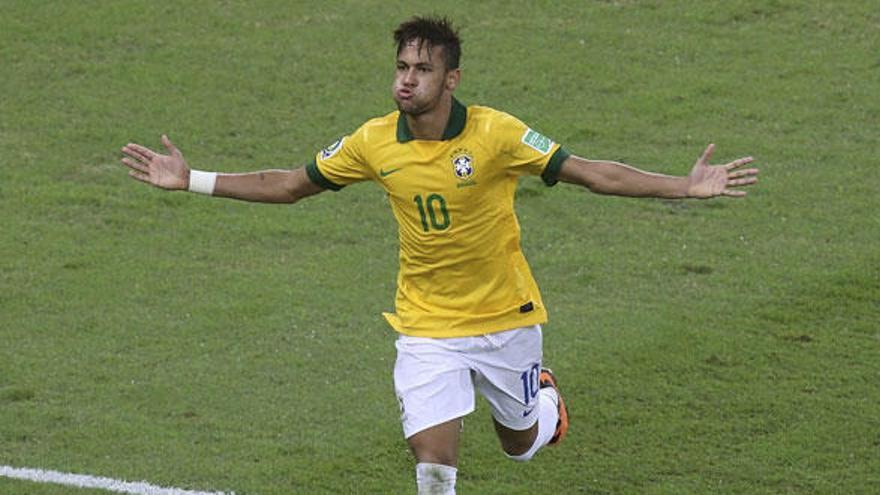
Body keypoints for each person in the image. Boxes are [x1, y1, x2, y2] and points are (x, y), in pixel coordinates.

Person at [120, 16, 758, 495]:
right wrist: (193, 179)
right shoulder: (373, 143)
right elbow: (290, 185)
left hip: (506, 318)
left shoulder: (498, 134)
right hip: (425, 326)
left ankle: (543, 409)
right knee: (434, 466)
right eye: (401, 67)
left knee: (519, 446)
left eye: (421, 70)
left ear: (450, 78)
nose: (406, 79)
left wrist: (685, 185)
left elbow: (592, 174)